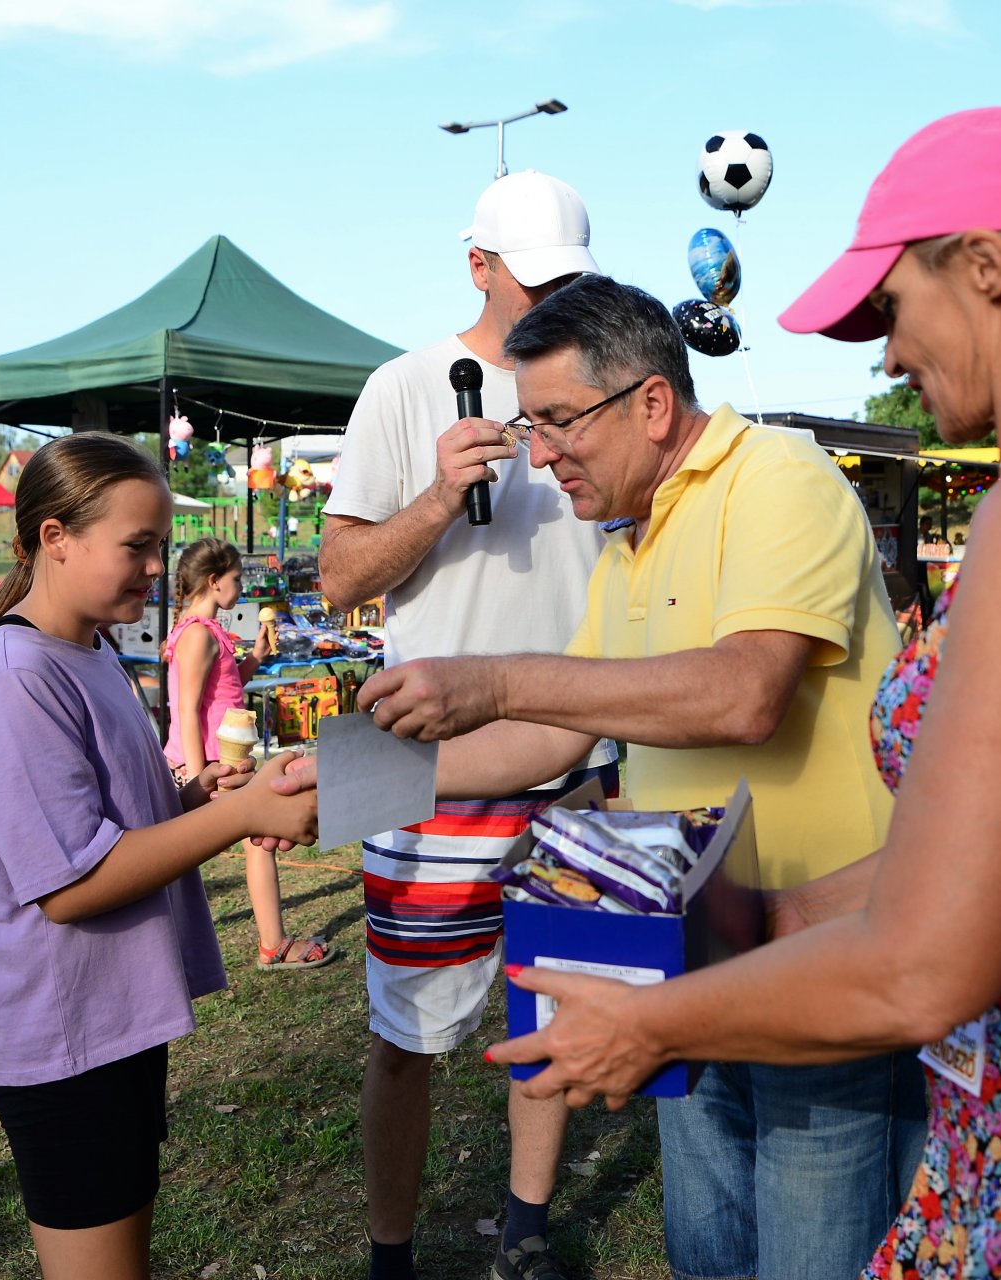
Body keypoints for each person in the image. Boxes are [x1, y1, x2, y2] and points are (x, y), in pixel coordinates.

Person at [473, 108, 1001, 1277]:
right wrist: (749, 928)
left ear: (986, 267)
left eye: (892, 308)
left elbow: (931, 962)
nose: (884, 354)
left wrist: (647, 1019)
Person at [346, 274, 925, 1280]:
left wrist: (495, 676)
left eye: (558, 420)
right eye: (529, 425)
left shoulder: (778, 479)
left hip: (821, 961)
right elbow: (550, 738)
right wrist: (336, 781)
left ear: (651, 403)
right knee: (707, 1253)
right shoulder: (628, 535)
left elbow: (746, 693)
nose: (537, 452)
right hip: (685, 961)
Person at [316, 171, 616, 1280]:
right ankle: (391, 1251)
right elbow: (339, 578)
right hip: (424, 760)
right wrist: (439, 496)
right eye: (532, 278)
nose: (549, 301)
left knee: (560, 1005)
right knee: (408, 1036)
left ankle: (526, 1229)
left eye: (567, 281)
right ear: (477, 263)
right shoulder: (401, 387)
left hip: (583, 751)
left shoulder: (605, 380)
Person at [0, 432, 317, 1280]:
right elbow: (69, 885)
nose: (155, 569)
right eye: (137, 546)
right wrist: (239, 818)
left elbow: (99, 820)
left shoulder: (94, 648)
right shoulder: (15, 678)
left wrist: (198, 798)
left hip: (109, 1011)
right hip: (58, 1025)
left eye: (162, 547)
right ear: (54, 538)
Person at [166, 536, 333, 972]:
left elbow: (222, 688)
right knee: (257, 842)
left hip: (215, 762)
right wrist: (200, 777)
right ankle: (273, 945)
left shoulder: (201, 631)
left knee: (254, 843)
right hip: (209, 764)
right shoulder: (198, 636)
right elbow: (187, 709)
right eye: (237, 579)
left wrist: (256, 656)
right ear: (214, 581)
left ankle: (271, 942)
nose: (242, 588)